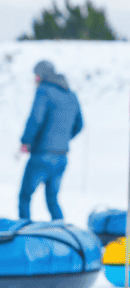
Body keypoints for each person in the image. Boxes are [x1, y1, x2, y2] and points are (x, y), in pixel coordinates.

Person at [18, 60, 83, 221]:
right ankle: (62, 234)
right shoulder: (71, 95)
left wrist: (26, 141)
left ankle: (24, 233)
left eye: (36, 75)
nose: (35, 79)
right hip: (62, 156)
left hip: (42, 154)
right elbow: (79, 124)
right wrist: (63, 139)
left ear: (42, 75)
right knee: (52, 199)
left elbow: (35, 119)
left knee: (25, 197)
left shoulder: (44, 91)